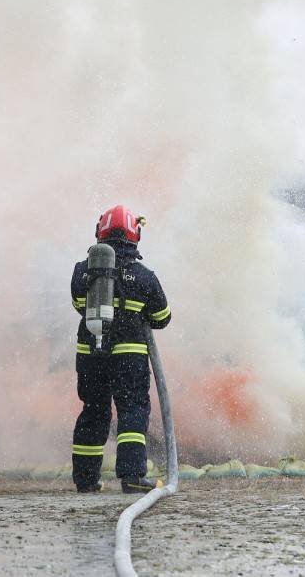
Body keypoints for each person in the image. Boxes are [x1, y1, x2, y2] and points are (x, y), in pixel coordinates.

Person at [70, 205, 171, 494]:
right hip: (130, 358)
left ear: (99, 232)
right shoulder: (144, 276)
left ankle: (86, 480)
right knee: (132, 412)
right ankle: (132, 477)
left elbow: (78, 305)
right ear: (134, 234)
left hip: (91, 355)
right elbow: (163, 318)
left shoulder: (82, 270)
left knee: (94, 411)